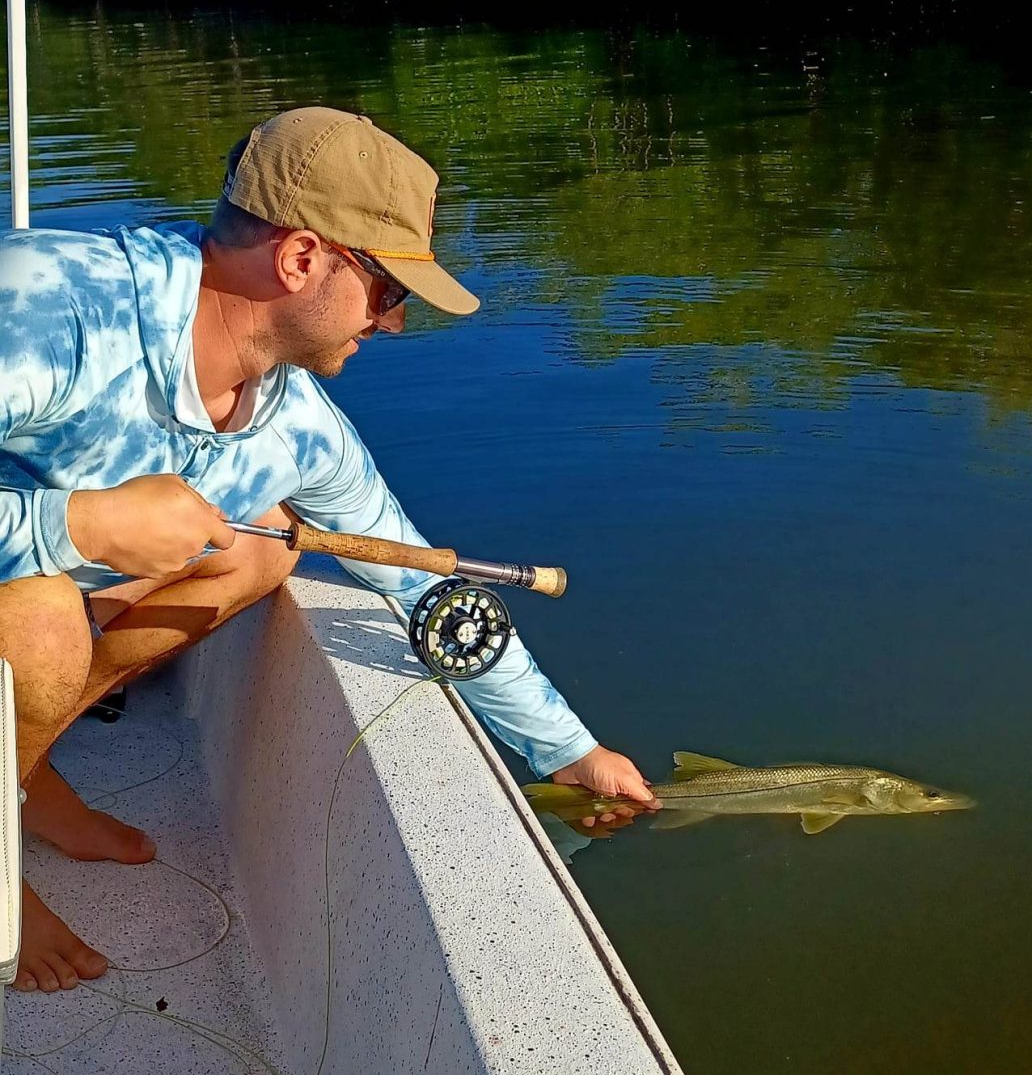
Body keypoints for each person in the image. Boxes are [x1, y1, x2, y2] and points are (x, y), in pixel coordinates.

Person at [0, 106, 656, 993]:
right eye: (389, 293)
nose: (392, 325)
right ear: (303, 258)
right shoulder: (46, 305)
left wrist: (569, 752)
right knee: (40, 622)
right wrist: (67, 528)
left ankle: (25, 776)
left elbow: (419, 582)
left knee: (259, 553)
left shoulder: (301, 432)